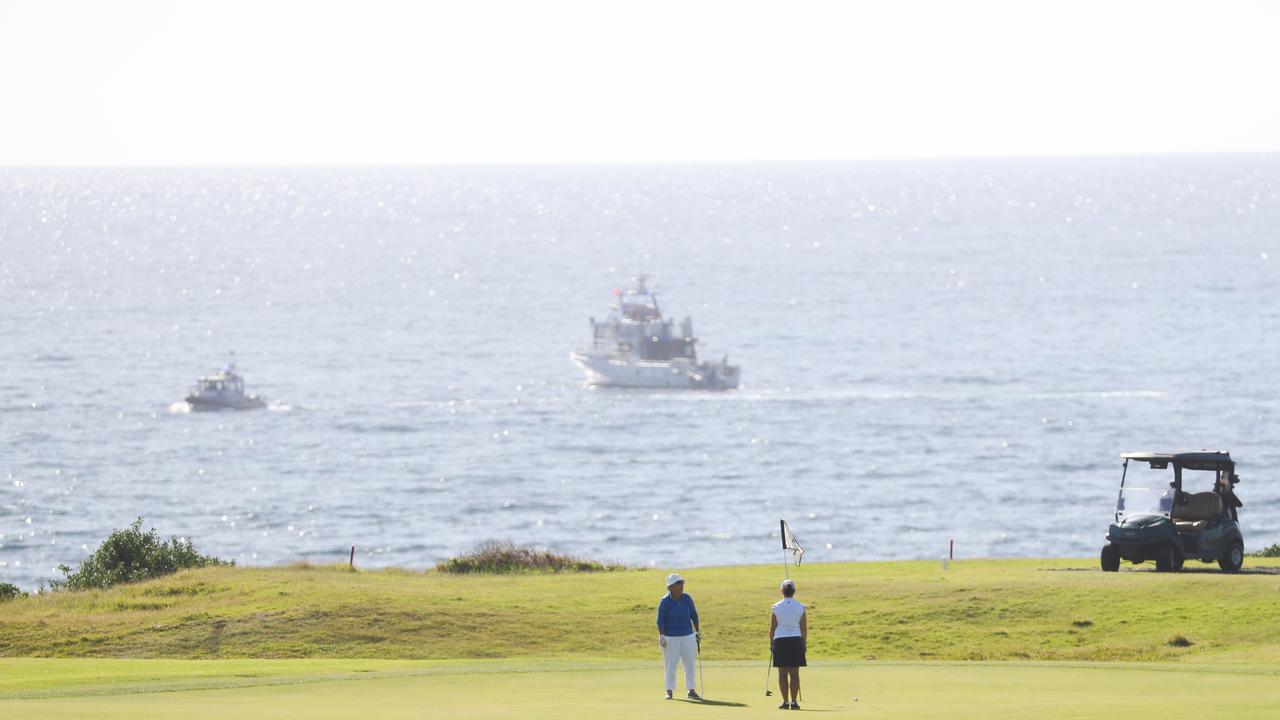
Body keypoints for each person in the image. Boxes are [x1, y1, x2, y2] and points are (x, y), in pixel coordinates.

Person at [656, 572, 701, 700]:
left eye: (682, 583)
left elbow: (694, 615)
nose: (681, 586)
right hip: (671, 638)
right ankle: (669, 691)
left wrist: (697, 632)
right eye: (678, 584)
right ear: (670, 587)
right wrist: (662, 635)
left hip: (688, 636)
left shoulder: (687, 598)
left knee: (690, 664)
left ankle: (691, 690)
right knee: (671, 665)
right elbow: (660, 620)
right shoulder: (665, 602)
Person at [770, 578, 807, 710]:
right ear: (794, 591)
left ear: (782, 591)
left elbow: (772, 627)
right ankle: (794, 702)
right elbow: (803, 628)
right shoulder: (801, 607)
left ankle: (786, 702)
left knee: (782, 673)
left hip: (780, 641)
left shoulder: (775, 607)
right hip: (796, 641)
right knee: (794, 674)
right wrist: (804, 644)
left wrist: (771, 643)